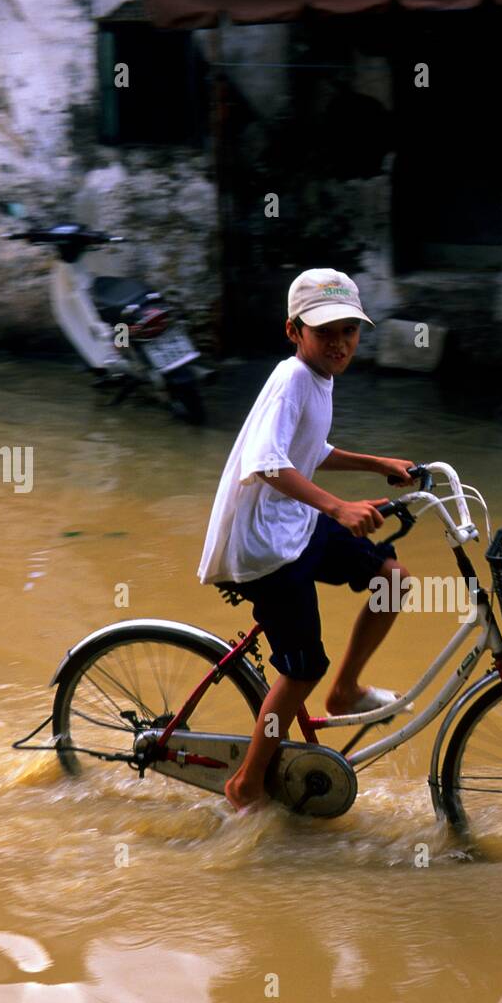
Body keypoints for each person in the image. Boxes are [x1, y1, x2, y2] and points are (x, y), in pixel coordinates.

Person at [198, 268, 416, 812]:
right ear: (294, 331)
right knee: (300, 669)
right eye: (325, 332)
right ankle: (245, 786)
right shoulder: (292, 379)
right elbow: (267, 462)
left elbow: (308, 449)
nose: (340, 342)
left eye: (350, 330)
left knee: (392, 578)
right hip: (263, 548)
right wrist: (338, 506)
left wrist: (376, 462)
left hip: (293, 524)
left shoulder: (319, 379)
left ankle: (345, 692)